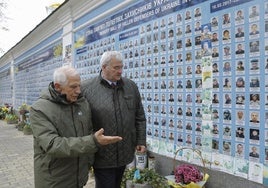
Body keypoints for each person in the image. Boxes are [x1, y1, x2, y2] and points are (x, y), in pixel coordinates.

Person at [30, 66, 122, 188]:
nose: (79, 91)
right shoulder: (40, 109)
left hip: (78, 178)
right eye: (73, 87)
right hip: (54, 181)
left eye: (79, 86)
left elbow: (87, 131)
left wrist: (88, 163)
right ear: (58, 87)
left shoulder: (81, 103)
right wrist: (93, 141)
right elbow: (53, 145)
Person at [82, 51, 146, 188]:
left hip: (124, 151)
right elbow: (81, 122)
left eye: (121, 67)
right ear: (104, 67)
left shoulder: (131, 86)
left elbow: (139, 116)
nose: (120, 71)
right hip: (102, 154)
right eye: (116, 68)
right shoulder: (87, 89)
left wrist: (141, 140)